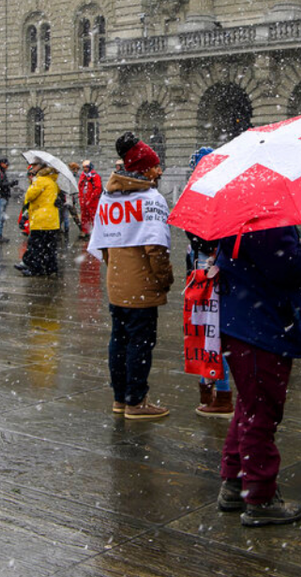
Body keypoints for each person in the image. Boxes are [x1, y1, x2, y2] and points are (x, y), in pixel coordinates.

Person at [214, 225, 301, 527]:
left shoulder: (239, 211)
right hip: (262, 325)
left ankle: (235, 482)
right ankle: (260, 497)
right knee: (262, 410)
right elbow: (286, 267)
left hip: (244, 320)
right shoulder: (266, 217)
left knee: (250, 404)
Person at [89, 133, 173, 420]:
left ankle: (120, 399)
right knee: (140, 343)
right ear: (144, 170)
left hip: (117, 283)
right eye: (155, 166)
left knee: (119, 340)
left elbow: (103, 244)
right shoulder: (151, 199)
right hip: (143, 285)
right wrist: (165, 280)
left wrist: (117, 271)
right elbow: (156, 249)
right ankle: (137, 401)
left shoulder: (108, 197)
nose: (159, 171)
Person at [183, 147, 233, 418]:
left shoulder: (200, 192)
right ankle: (212, 389)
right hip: (220, 264)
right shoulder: (227, 189)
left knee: (207, 331)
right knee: (213, 330)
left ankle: (218, 393)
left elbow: (194, 232)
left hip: (205, 265)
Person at [17, 163, 61, 276]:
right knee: (49, 248)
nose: (33, 168)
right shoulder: (53, 182)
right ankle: (51, 268)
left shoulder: (40, 180)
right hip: (52, 220)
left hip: (41, 220)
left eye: (35, 166)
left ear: (41, 169)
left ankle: (35, 269)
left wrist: (33, 183)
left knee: (36, 246)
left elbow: (29, 196)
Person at [78, 160, 102, 241]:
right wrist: (81, 198)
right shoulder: (83, 176)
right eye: (84, 167)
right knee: (84, 216)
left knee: (93, 216)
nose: (85, 169)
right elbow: (80, 187)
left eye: (86, 167)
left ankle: (96, 231)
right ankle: (85, 231)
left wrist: (91, 198)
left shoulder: (95, 176)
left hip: (92, 201)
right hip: (84, 199)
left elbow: (98, 189)